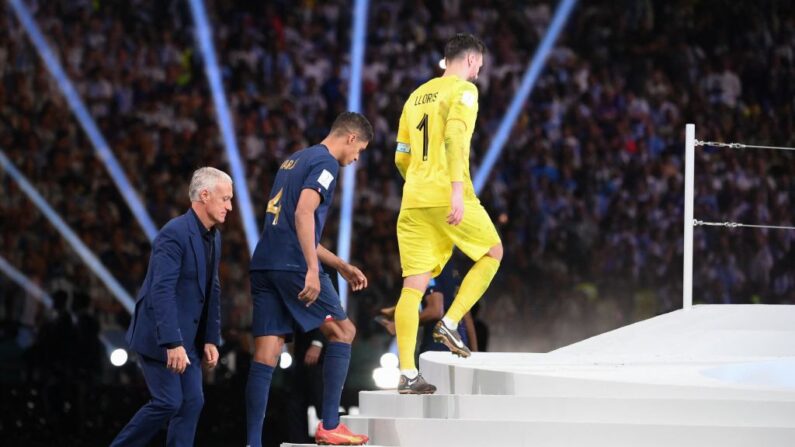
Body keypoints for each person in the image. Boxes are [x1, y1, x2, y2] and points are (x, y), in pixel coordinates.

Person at [245, 112, 373, 446]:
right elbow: (304, 213)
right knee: (344, 331)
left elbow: (293, 225)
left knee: (266, 354)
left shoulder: (294, 160)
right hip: (293, 265)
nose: (357, 157)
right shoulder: (327, 163)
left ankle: (253, 443)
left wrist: (340, 264)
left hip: (265, 263)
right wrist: (313, 270)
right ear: (350, 138)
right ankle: (330, 425)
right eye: (360, 148)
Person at [393, 33, 503, 394]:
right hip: (448, 195)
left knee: (413, 289)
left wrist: (419, 183)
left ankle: (408, 373)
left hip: (413, 200)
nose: (478, 75)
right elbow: (455, 137)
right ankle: (451, 322)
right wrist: (455, 191)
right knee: (492, 253)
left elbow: (401, 156)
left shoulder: (414, 97)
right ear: (471, 61)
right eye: (479, 68)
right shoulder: (464, 91)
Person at [112, 167, 232, 446]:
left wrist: (211, 338)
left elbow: (212, 289)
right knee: (168, 402)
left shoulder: (214, 236)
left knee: (192, 402)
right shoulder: (173, 233)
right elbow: (161, 290)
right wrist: (172, 342)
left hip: (188, 338)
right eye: (225, 199)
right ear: (204, 195)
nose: (230, 206)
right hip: (160, 334)